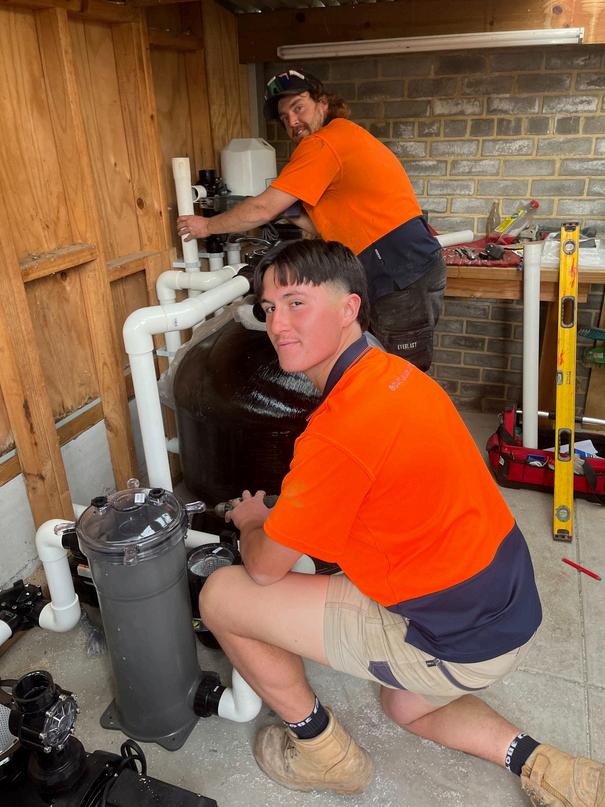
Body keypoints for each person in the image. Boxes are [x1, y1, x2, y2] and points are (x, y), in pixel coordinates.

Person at [198, 238, 605, 806]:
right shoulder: (395, 374)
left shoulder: (339, 431)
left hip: (453, 635)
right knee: (403, 704)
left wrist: (250, 524)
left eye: (296, 303)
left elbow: (265, 569)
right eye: (268, 308)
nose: (277, 325)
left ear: (350, 307)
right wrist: (287, 516)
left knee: (222, 595)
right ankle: (546, 766)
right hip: (507, 608)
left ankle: (323, 753)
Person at [177, 68, 446, 371]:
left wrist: (206, 226)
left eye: (298, 107)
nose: (292, 121)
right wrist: (287, 208)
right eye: (284, 117)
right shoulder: (343, 135)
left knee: (399, 375)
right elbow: (321, 226)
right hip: (404, 267)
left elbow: (262, 209)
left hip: (399, 273)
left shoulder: (322, 143)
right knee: (378, 368)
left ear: (322, 104)